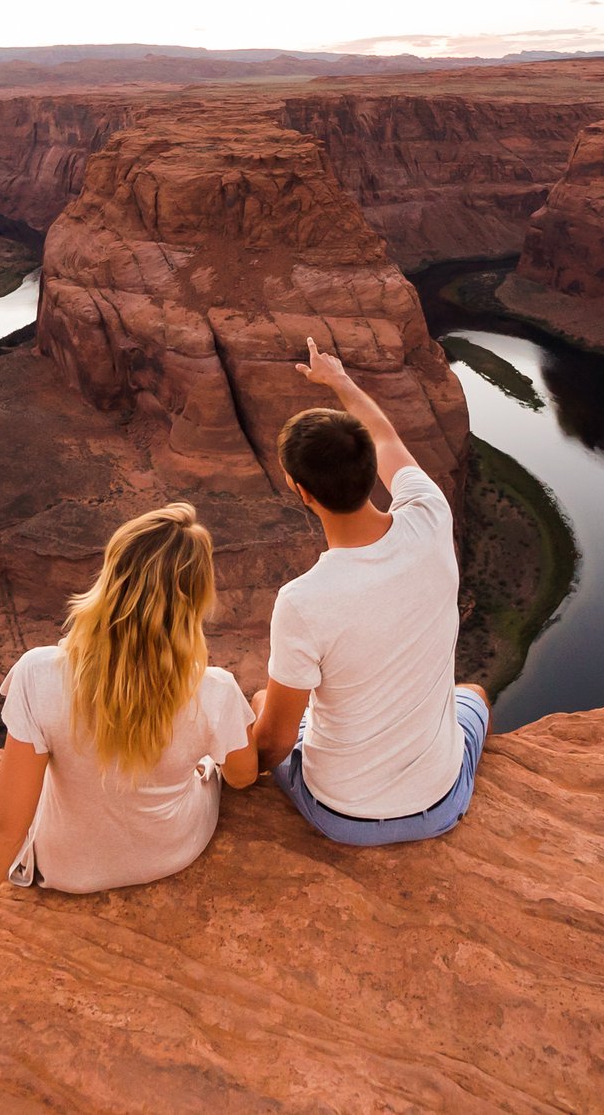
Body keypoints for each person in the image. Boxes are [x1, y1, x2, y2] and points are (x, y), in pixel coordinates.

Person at [0, 503, 257, 1032]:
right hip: (172, 851)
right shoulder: (216, 692)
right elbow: (242, 777)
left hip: (64, 871)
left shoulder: (39, 675)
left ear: (110, 577)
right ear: (197, 601)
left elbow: (5, 827)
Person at [246, 338, 490, 846]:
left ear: (301, 490)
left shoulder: (302, 601)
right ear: (370, 470)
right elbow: (385, 435)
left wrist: (231, 772)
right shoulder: (429, 511)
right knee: (474, 694)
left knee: (262, 698)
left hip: (343, 817)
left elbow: (271, 745)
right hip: (444, 801)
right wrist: (339, 381)